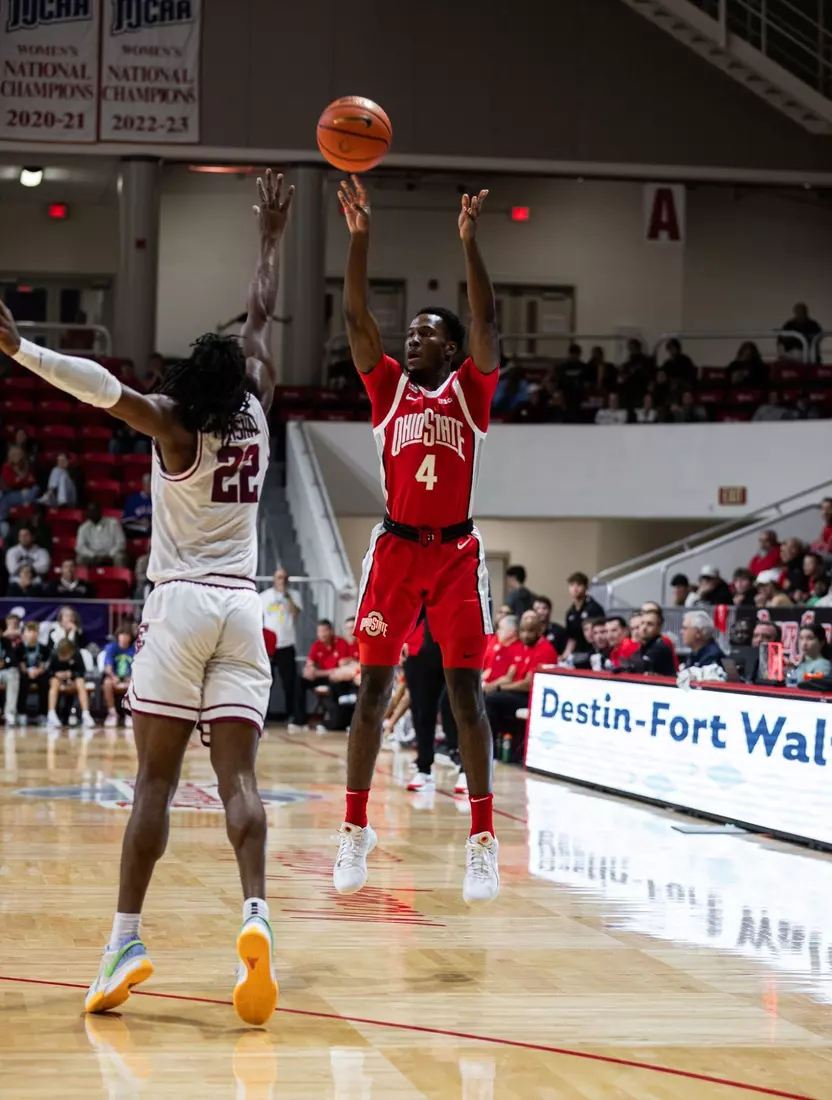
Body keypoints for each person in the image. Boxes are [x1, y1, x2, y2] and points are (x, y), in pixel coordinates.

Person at [0, 168, 293, 1025]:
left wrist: (21, 351)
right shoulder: (261, 410)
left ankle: (125, 937)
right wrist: (269, 239)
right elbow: (262, 314)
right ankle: (257, 915)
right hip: (244, 610)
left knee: (154, 785)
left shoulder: (174, 424)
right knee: (239, 781)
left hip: (179, 607)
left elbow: (99, 387)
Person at [335, 174, 500, 904]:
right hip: (397, 550)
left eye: (429, 331)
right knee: (372, 690)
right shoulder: (391, 390)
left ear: (453, 349)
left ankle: (483, 841)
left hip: (457, 552)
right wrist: (360, 236)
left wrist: (469, 243)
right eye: (413, 332)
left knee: (468, 697)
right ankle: (354, 829)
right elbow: (355, 316)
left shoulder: (470, 390)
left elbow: (488, 316)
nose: (413, 336)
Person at [483, 610, 557, 762]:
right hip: (516, 692)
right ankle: (489, 748)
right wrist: (490, 686)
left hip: (531, 696)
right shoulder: (525, 647)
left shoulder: (545, 650)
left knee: (491, 700)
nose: (525, 635)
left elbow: (527, 684)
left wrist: (499, 688)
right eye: (523, 631)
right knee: (485, 696)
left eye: (530, 631)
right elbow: (510, 676)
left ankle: (491, 751)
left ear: (540, 630)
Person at [259, 567, 303, 723]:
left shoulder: (294, 595)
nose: (281, 580)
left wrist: (286, 596)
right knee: (265, 682)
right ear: (273, 579)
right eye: (279, 577)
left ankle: (291, 714)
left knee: (289, 682)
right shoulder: (264, 597)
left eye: (284, 577)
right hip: (269, 645)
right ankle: (262, 714)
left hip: (287, 643)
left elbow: (295, 612)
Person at [290, 619, 350, 732]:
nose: (322, 634)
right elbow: (310, 664)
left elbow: (341, 669)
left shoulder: (341, 643)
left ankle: (332, 722)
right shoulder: (316, 645)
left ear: (331, 631)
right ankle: (300, 720)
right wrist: (308, 670)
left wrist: (317, 673)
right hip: (321, 676)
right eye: (319, 631)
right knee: (300, 680)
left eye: (324, 631)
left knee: (336, 684)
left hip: (336, 677)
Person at [45, 638, 93, 729]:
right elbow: (47, 672)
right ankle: (51, 713)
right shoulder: (54, 654)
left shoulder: (77, 655)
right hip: (58, 681)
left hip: (73, 681)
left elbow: (82, 672)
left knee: (80, 682)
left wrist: (71, 674)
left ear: (71, 652)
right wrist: (56, 674)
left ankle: (86, 713)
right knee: (53, 681)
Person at [563, 572, 605, 659]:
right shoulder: (570, 613)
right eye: (571, 585)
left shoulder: (594, 608)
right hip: (578, 653)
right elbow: (572, 638)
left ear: (586, 587)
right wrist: (565, 655)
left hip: (594, 652)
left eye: (578, 585)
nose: (575, 588)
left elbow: (601, 632)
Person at [76, 501, 128, 568]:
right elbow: (80, 547)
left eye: (94, 511)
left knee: (120, 557)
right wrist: (93, 555)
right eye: (90, 512)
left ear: (100, 511)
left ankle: (119, 577)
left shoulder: (113, 523)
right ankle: (83, 578)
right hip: (92, 556)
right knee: (80, 559)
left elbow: (121, 543)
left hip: (111, 554)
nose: (92, 514)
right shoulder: (83, 528)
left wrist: (109, 555)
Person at [102, 625, 136, 729]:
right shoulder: (111, 648)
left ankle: (129, 713)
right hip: (115, 677)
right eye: (121, 635)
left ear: (130, 638)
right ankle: (112, 713)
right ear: (118, 636)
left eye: (126, 635)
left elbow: (139, 666)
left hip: (130, 678)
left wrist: (132, 677)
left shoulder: (134, 649)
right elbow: (108, 667)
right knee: (107, 683)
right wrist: (113, 676)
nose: (123, 638)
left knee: (136, 684)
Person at [630, 609, 677, 677]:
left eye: (650, 624)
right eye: (642, 623)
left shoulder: (661, 647)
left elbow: (641, 666)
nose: (644, 627)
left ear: (659, 628)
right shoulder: (644, 646)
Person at [17, 620, 48, 721]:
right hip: (25, 673)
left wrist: (38, 671)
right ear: (24, 633)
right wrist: (27, 671)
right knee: (22, 680)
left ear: (38, 633)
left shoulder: (43, 648)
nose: (32, 634)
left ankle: (42, 713)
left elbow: (44, 664)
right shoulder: (19, 648)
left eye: (35, 631)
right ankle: (21, 712)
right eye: (29, 631)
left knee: (45, 680)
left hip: (38, 673)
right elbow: (19, 663)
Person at [0, 444, 39, 524]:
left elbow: (32, 481)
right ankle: (28, 499)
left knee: (36, 488)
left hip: (25, 492)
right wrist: (22, 480)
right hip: (12, 494)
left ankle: (28, 499)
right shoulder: (6, 467)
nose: (16, 456)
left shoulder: (26, 466)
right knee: (5, 497)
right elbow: (10, 482)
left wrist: (20, 480)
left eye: (18, 454)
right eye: (14, 454)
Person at [0, 620, 20, 726]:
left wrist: (4, 662)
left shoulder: (6, 643)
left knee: (13, 673)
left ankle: (10, 713)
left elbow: (13, 661)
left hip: (4, 672)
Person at [121, 473, 152, 539]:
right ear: (144, 485)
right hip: (136, 529)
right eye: (148, 484)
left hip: (152, 529)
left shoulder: (157, 500)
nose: (150, 486)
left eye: (151, 484)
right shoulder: (133, 499)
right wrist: (140, 522)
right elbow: (126, 520)